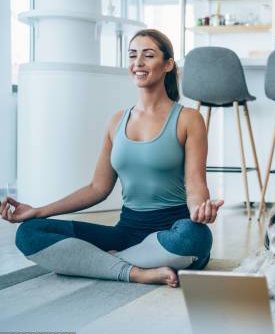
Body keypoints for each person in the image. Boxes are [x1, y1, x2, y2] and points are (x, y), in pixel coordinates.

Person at [1, 29, 223, 287]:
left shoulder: (188, 119)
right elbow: (98, 188)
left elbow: (195, 184)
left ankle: (104, 263)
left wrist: (199, 210)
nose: (138, 63)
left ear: (168, 65)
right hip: (126, 233)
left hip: (171, 234)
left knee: (195, 237)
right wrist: (38, 210)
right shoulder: (117, 120)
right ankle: (136, 272)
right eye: (132, 55)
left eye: (148, 55)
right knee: (29, 233)